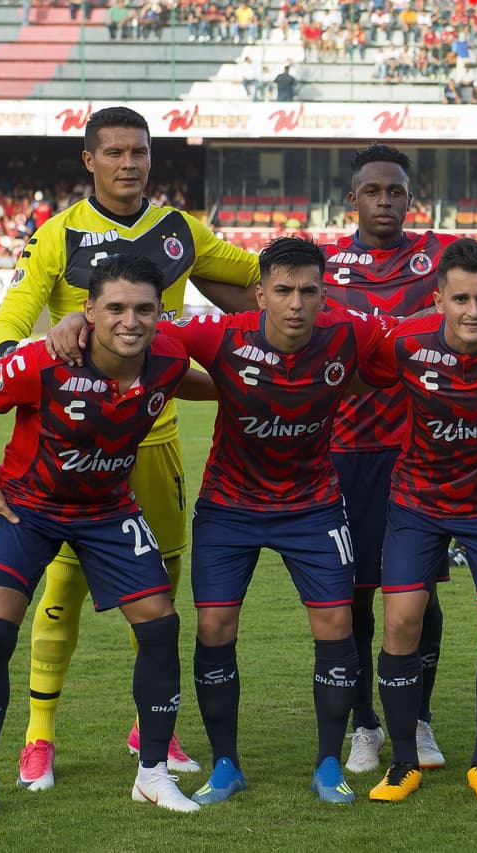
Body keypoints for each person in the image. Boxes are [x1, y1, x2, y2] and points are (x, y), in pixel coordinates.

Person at [0, 106, 260, 792]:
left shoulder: (179, 231)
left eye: (138, 151)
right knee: (63, 588)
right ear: (89, 160)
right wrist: (24, 355)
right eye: (113, 152)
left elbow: (259, 277)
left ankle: (150, 730)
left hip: (153, 437)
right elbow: (9, 322)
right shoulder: (56, 235)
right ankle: (38, 737)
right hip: (73, 445)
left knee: (158, 590)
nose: (128, 163)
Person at [0, 255, 208, 828]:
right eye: (114, 307)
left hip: (108, 510)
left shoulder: (168, 359)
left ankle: (152, 774)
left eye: (144, 308)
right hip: (28, 510)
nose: (130, 320)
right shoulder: (45, 361)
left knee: (162, 625)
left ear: (161, 312)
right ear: (88, 312)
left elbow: (202, 381)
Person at [142, 237, 391, 807]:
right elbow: (144, 338)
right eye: (283, 290)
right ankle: (226, 764)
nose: (296, 303)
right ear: (260, 295)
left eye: (308, 291)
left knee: (335, 627)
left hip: (313, 506)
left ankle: (330, 764)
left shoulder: (348, 333)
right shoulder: (223, 335)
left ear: (323, 294)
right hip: (230, 508)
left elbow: (411, 340)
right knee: (214, 630)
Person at [323, 144, 477, 774]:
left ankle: (421, 720)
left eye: (396, 192)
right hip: (347, 449)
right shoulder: (326, 266)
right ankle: (364, 726)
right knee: (356, 597)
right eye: (373, 191)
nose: (385, 202)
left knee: (418, 596)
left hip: (415, 454)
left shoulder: (440, 255)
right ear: (351, 199)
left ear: (412, 198)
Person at [361, 240, 477, 803]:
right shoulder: (407, 343)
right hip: (418, 503)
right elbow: (353, 364)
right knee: (399, 625)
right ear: (438, 299)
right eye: (459, 298)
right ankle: (403, 763)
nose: (472, 311)